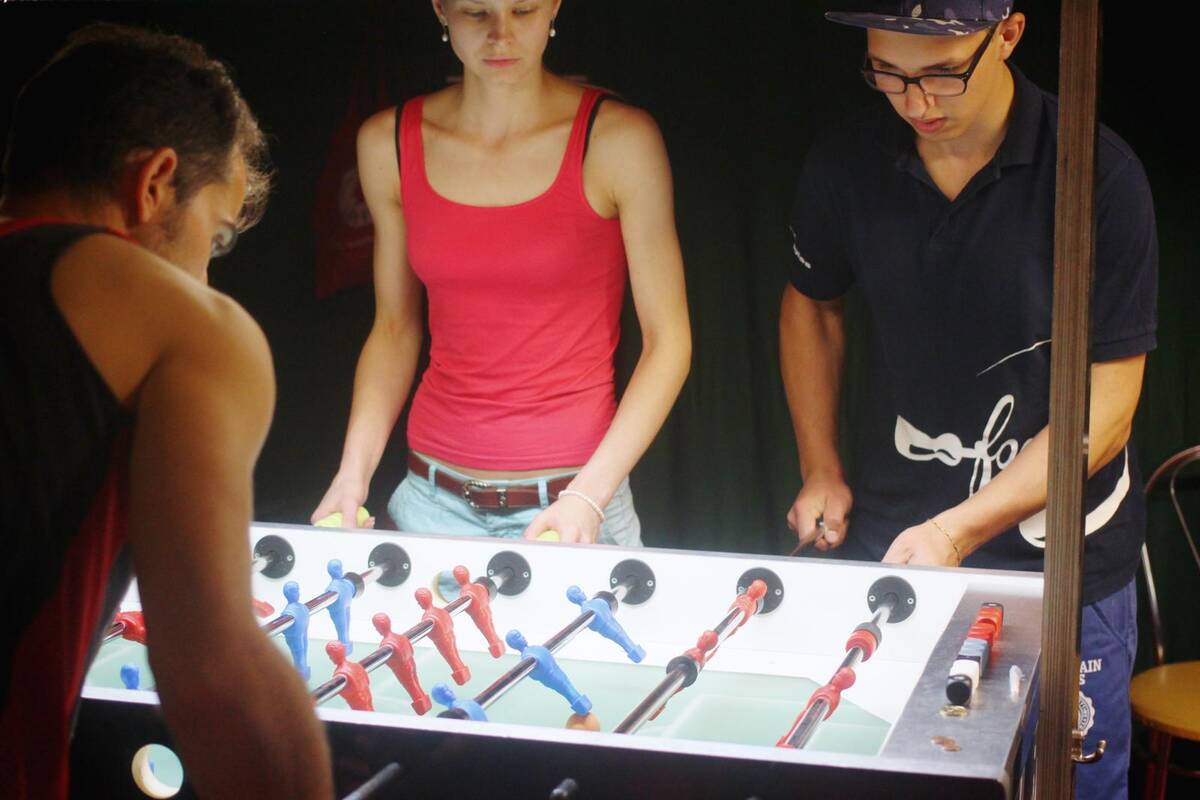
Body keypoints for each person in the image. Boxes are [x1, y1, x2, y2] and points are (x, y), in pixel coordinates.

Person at [779, 3, 1156, 797]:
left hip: (1062, 557)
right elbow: (812, 304)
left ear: (1008, 34)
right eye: (888, 73)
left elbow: (1108, 409)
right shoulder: (847, 160)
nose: (917, 101)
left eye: (944, 73)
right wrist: (820, 466)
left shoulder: (1097, 172)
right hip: (897, 535)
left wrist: (958, 529)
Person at [0, 23, 332, 799]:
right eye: (215, 238)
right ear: (153, 182)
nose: (206, 280)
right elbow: (216, 679)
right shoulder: (182, 323)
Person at [312, 0, 691, 546]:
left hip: (573, 503)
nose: (501, 34)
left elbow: (668, 341)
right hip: (429, 501)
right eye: (476, 13)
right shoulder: (389, 142)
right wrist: (352, 475)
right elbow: (394, 328)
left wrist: (590, 496)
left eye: (523, 10)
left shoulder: (618, 140)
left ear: (553, 6)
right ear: (441, 10)